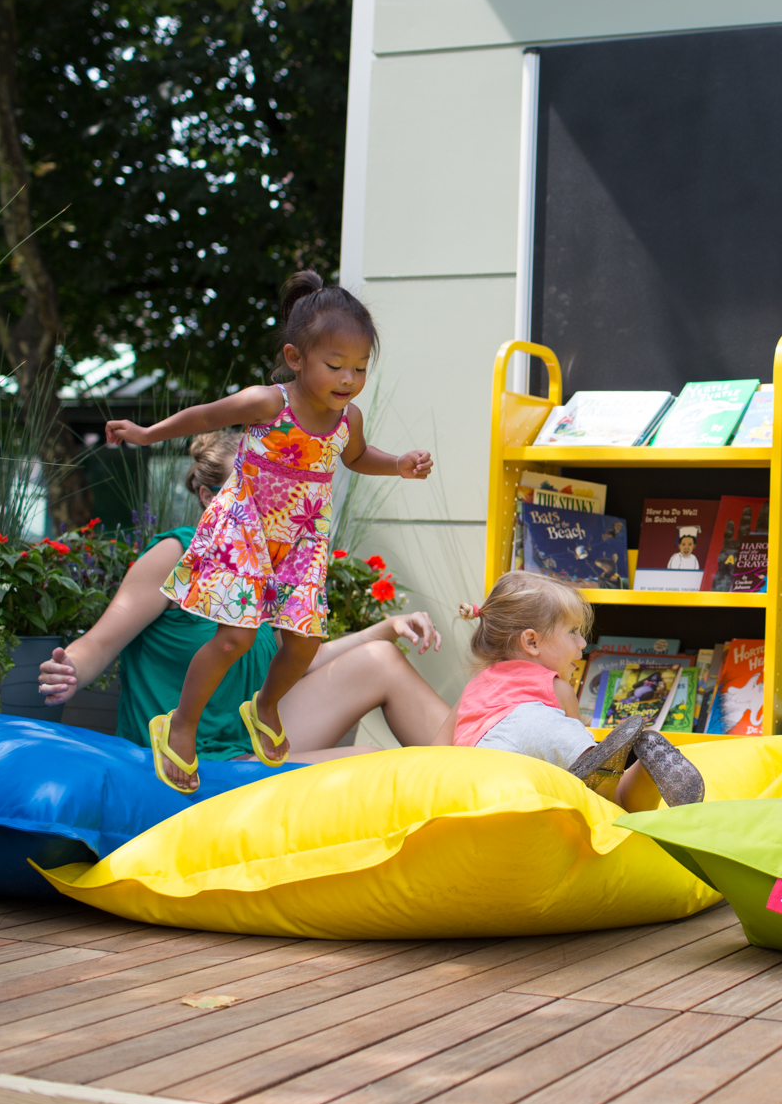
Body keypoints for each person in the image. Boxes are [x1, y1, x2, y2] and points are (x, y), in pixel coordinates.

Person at [103, 271, 435, 792]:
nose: (348, 378)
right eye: (335, 365)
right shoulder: (269, 403)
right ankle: (181, 725)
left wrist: (399, 464)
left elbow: (357, 456)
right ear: (297, 357)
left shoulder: (347, 419)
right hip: (246, 528)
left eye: (360, 368)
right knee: (234, 637)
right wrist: (147, 434)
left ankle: (264, 707)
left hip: (301, 539)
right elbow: (201, 415)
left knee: (303, 640)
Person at [38, 431, 451, 762]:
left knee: (381, 659)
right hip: (190, 759)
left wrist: (384, 629)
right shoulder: (174, 554)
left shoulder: (268, 561)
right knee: (371, 762)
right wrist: (69, 668)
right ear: (208, 497)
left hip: (249, 737)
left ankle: (492, 776)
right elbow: (99, 643)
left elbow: (285, 660)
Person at [446, 570, 704, 806]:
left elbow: (438, 748)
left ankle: (611, 769)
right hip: (538, 728)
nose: (582, 643)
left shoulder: (475, 685)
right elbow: (558, 737)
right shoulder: (557, 688)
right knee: (612, 797)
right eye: (573, 631)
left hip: (486, 758)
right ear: (531, 641)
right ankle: (643, 767)